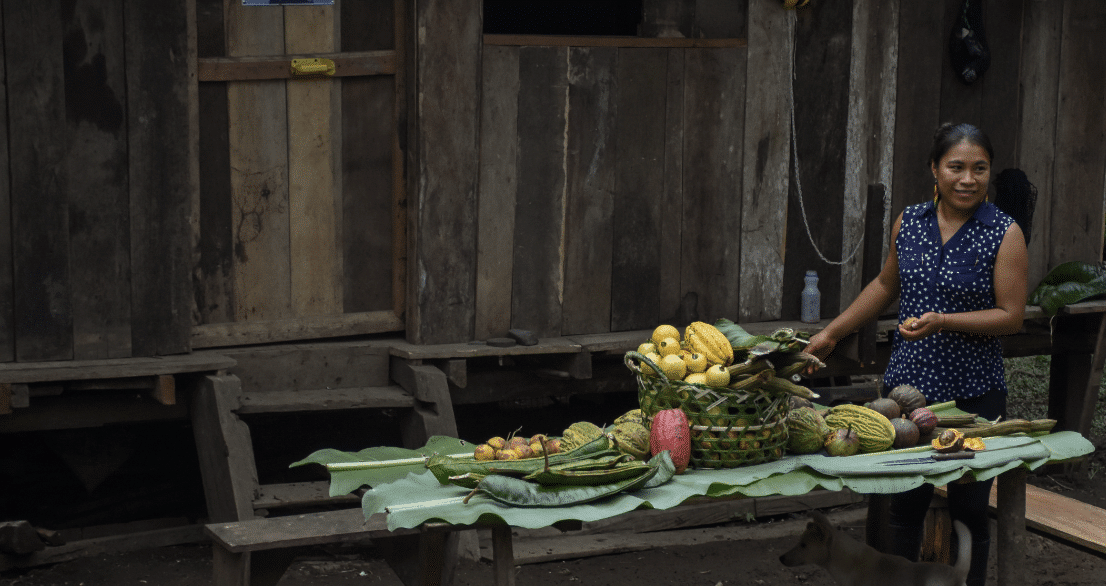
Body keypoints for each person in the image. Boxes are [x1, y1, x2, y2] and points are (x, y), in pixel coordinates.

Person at [804, 122, 1028, 586]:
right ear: (934, 169)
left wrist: (944, 320)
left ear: (989, 173)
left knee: (969, 507)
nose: (968, 179)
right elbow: (887, 284)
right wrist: (832, 333)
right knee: (904, 505)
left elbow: (1010, 316)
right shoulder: (911, 222)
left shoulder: (1004, 233)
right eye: (956, 167)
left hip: (972, 396)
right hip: (909, 393)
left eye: (979, 168)